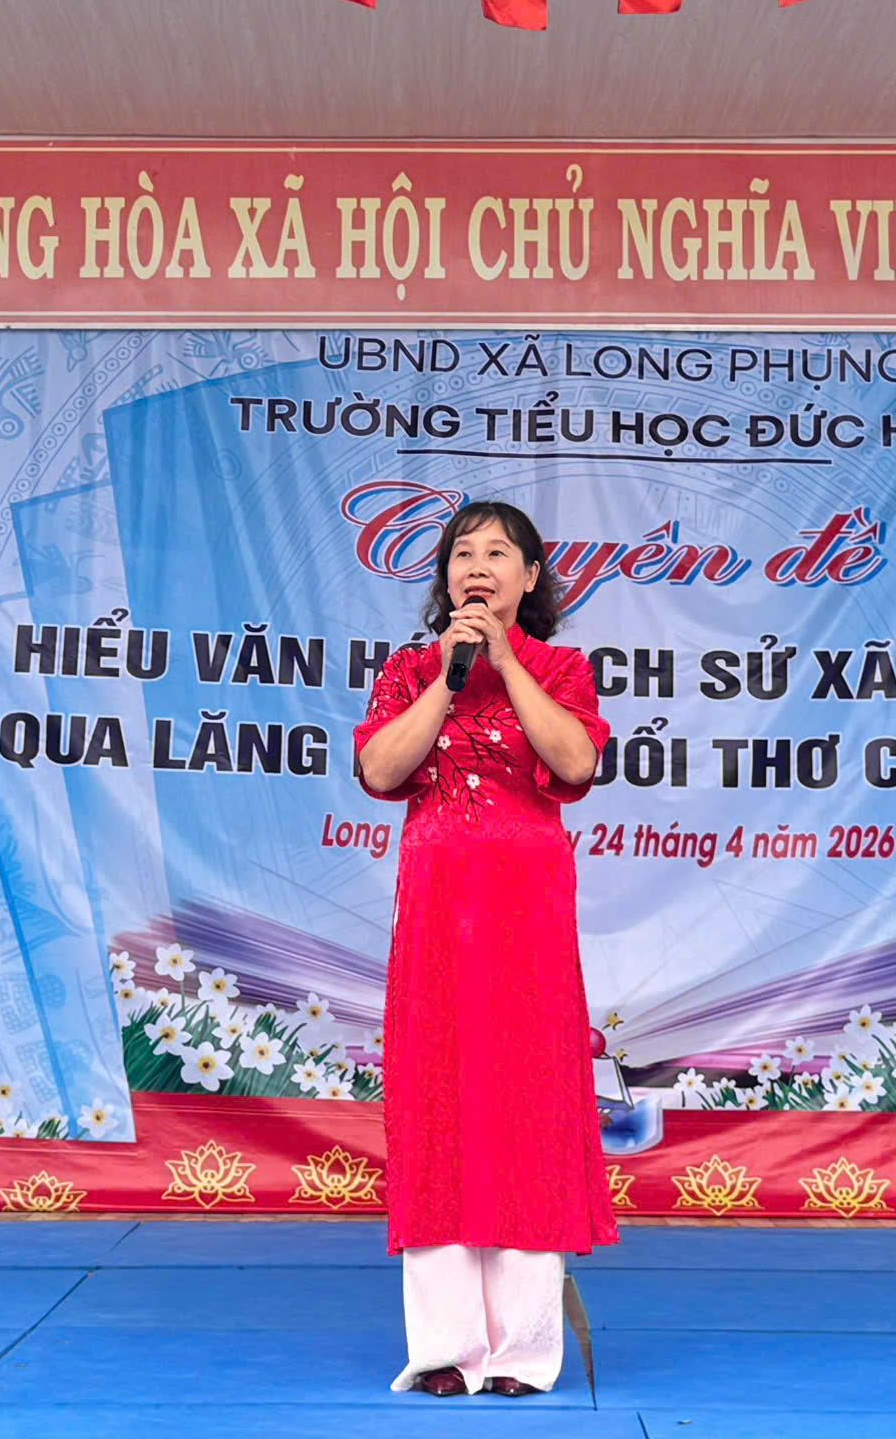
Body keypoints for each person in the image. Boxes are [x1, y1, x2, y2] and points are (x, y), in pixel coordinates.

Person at [352, 499, 617, 1397]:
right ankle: (445, 1349)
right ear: (445, 578)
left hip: (526, 916)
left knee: (526, 1105)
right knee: (438, 1106)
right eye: (463, 553)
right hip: (436, 915)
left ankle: (523, 1352)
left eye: (498, 553)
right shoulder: (409, 670)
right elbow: (381, 769)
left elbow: (575, 763)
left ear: (529, 577)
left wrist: (506, 662)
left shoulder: (561, 668)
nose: (477, 567)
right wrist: (448, 676)